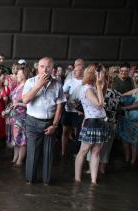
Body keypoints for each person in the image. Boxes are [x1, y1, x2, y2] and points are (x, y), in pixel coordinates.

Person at [22, 57, 66, 185]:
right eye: (42, 66)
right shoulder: (30, 82)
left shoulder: (57, 84)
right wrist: (39, 85)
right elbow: (25, 100)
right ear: (37, 67)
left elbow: (60, 107)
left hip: (50, 122)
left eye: (48, 67)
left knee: (48, 154)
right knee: (32, 153)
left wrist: (55, 125)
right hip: (32, 122)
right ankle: (30, 180)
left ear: (53, 69)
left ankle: (46, 182)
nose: (45, 69)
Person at [74, 64, 108, 185]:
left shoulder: (93, 87)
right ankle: (77, 179)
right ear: (94, 74)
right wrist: (99, 86)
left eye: (104, 72)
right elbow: (99, 104)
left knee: (96, 152)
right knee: (83, 151)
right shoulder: (87, 88)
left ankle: (94, 181)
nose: (104, 74)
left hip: (100, 122)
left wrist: (100, 86)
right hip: (92, 122)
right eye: (102, 72)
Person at [61, 58, 84, 157]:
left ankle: (76, 153)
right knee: (65, 131)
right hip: (68, 110)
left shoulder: (85, 82)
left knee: (78, 133)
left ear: (82, 69)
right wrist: (65, 95)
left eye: (77, 70)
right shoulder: (69, 80)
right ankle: (63, 152)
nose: (74, 71)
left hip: (79, 112)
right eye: (74, 69)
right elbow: (62, 92)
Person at [9, 67, 30, 166]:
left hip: (22, 117)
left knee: (22, 139)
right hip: (14, 116)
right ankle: (14, 158)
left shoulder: (27, 86)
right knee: (15, 139)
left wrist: (19, 105)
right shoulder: (18, 85)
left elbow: (30, 105)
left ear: (24, 74)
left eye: (18, 73)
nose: (17, 75)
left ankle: (20, 161)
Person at [118, 87, 138, 166]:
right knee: (125, 139)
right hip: (127, 118)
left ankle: (133, 162)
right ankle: (127, 159)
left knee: (135, 141)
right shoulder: (136, 89)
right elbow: (121, 95)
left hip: (137, 121)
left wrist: (125, 108)